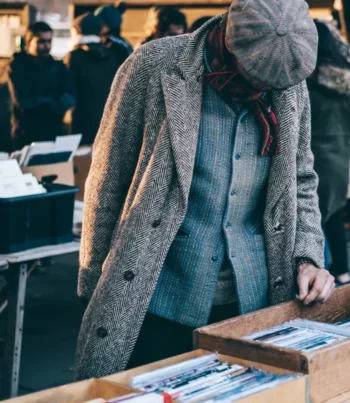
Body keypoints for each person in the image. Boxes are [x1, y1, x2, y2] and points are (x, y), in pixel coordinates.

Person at [75, 0, 333, 380]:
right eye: (254, 77)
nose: (265, 89)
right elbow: (107, 177)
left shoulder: (289, 86)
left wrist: (307, 257)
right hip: (156, 294)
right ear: (229, 42)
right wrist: (95, 285)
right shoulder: (153, 65)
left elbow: (302, 179)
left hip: (253, 301)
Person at [307, 20, 350, 285]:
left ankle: (322, 273)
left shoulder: (310, 81)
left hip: (314, 156)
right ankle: (341, 270)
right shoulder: (348, 81)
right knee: (332, 215)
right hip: (341, 155)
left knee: (311, 219)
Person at [7, 22, 75, 151]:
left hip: (53, 133)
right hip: (26, 134)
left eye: (49, 41)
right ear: (28, 42)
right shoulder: (18, 66)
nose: (47, 46)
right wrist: (53, 104)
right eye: (41, 42)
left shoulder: (57, 67)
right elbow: (23, 101)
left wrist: (46, 103)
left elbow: (70, 96)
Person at [65, 13, 121, 146]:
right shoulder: (111, 56)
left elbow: (68, 90)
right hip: (107, 120)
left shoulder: (74, 56)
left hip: (81, 121)